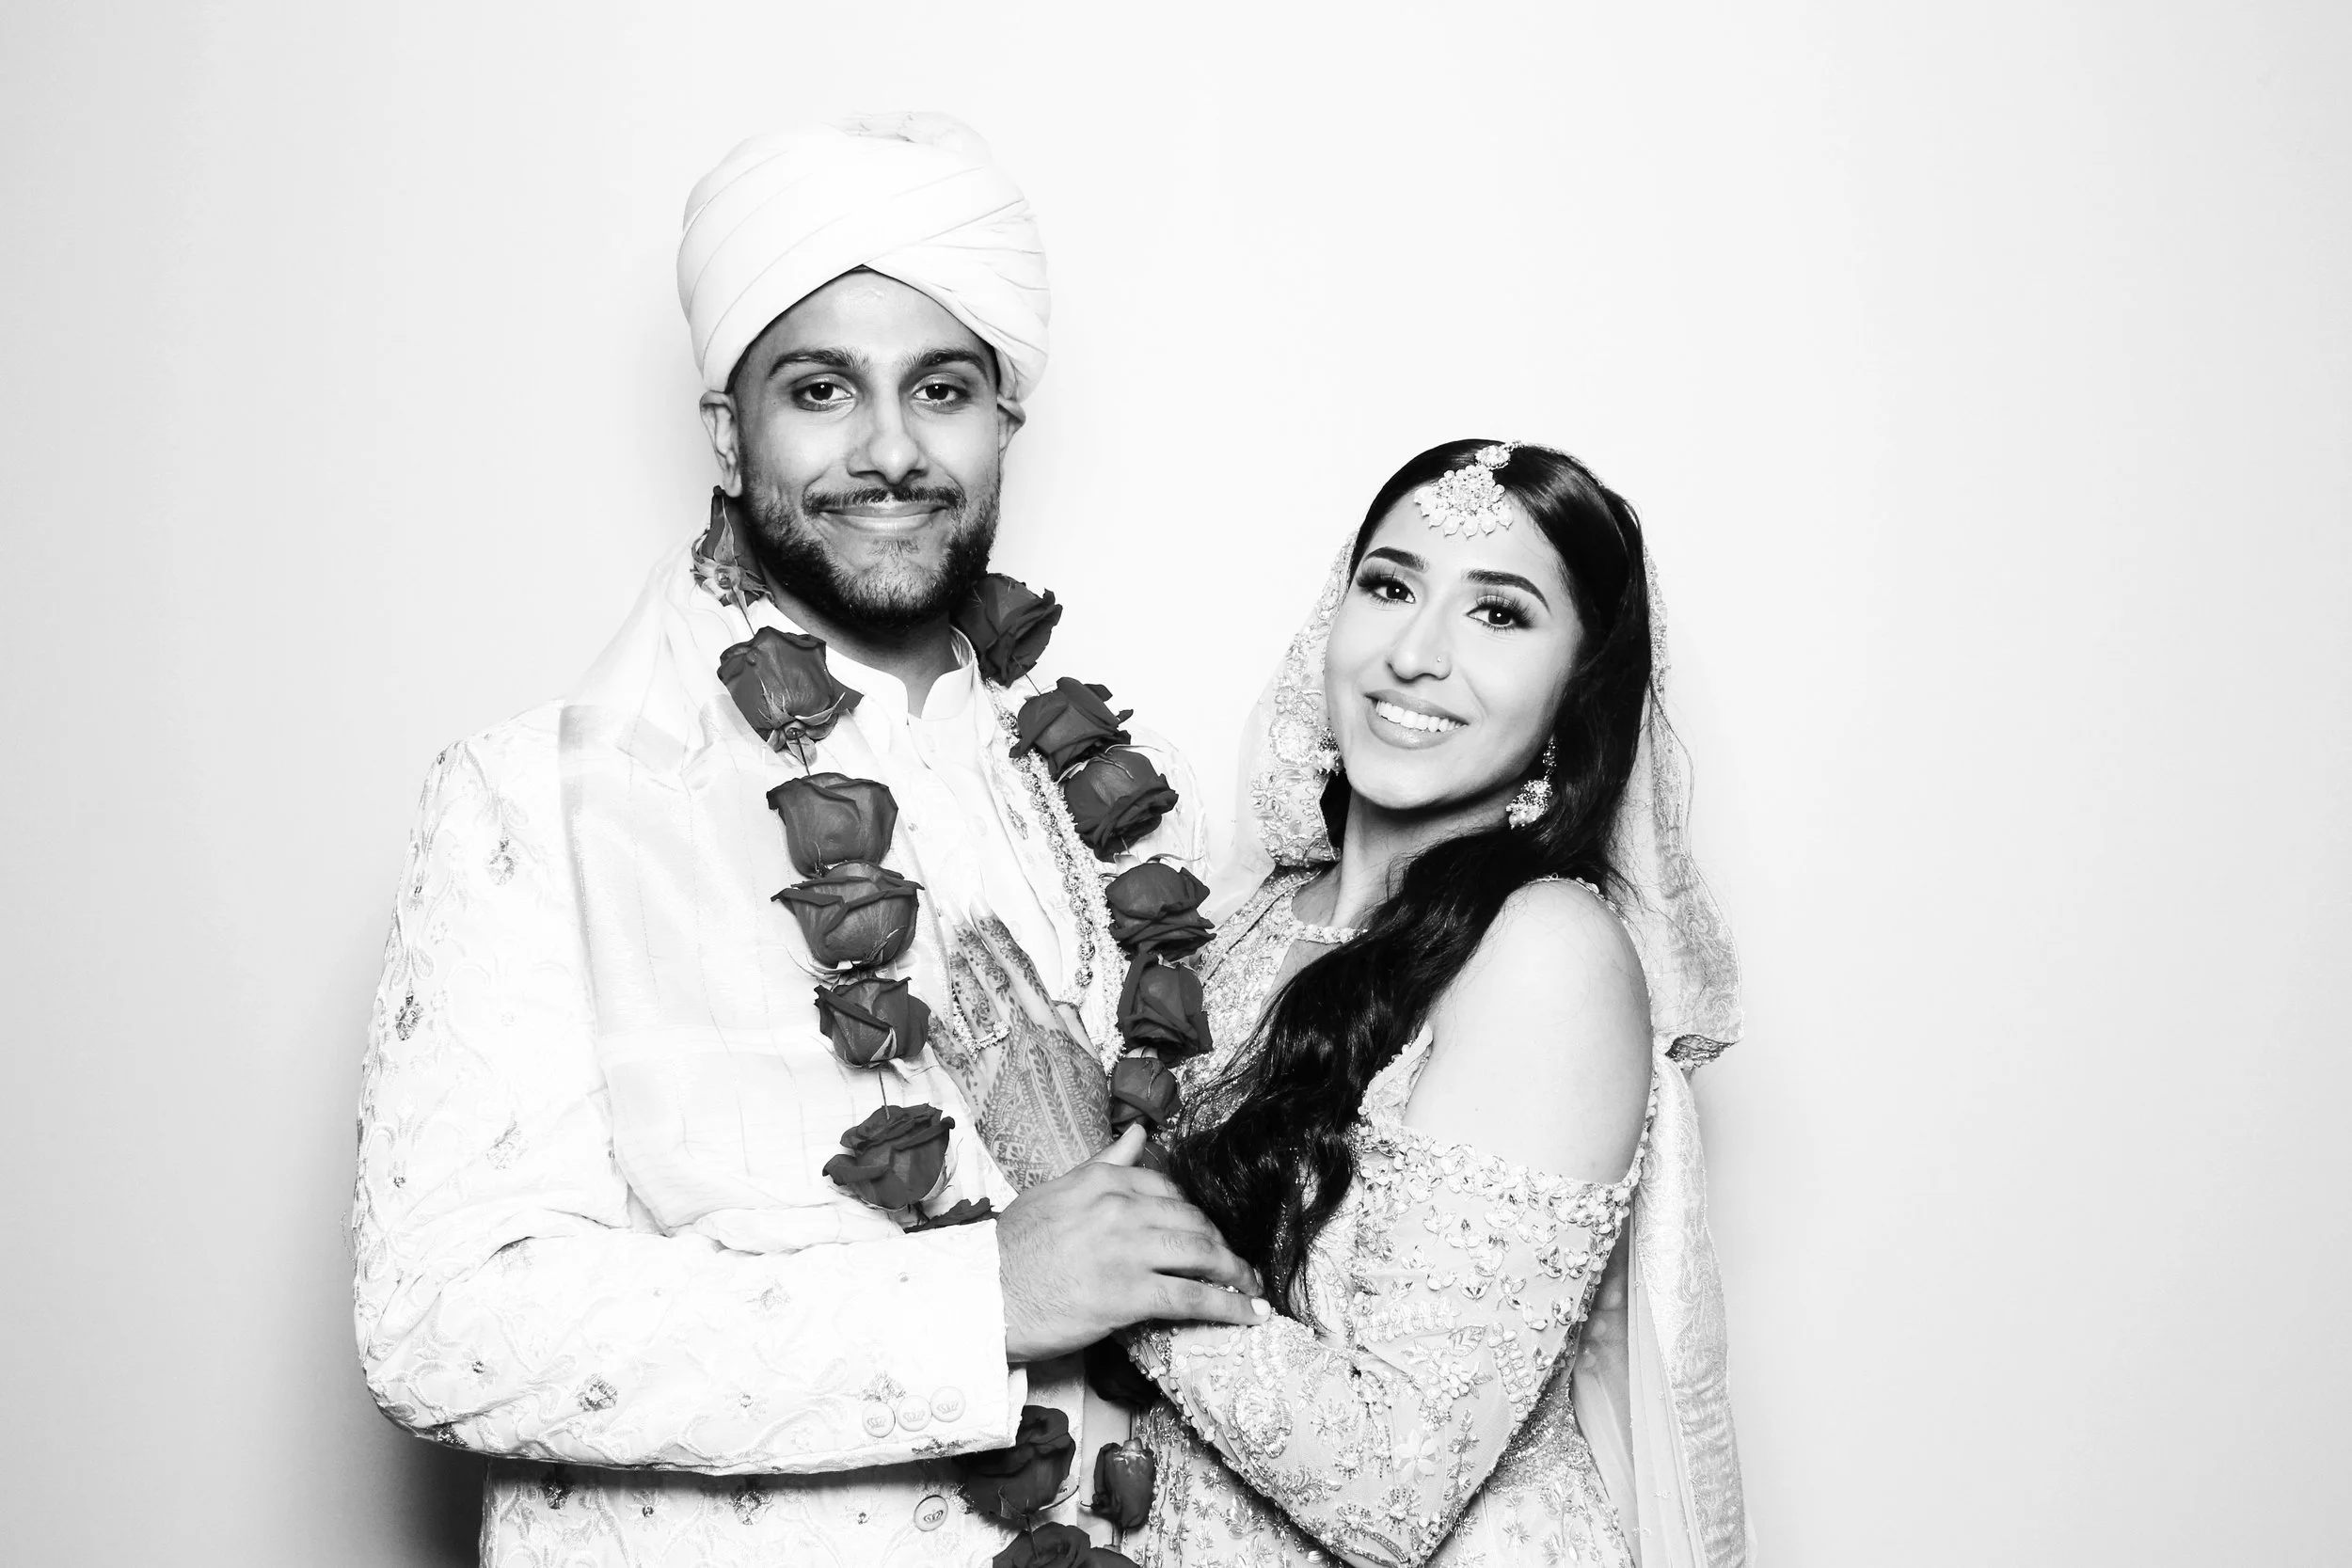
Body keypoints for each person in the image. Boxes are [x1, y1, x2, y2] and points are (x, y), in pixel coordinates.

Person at [351, 115, 1263, 1566]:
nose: (891, 450)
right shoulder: (534, 802)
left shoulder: (1137, 815)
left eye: (943, 388)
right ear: (728, 429)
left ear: (1005, 420)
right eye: (823, 389)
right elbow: (442, 1320)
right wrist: (979, 1302)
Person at [1118, 441, 1753, 1566]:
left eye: (1499, 615)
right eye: (1391, 585)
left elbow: (1399, 1479)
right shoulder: (1250, 918)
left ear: (1578, 685)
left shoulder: (1545, 949)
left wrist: (1093, 1222)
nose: (1414, 653)